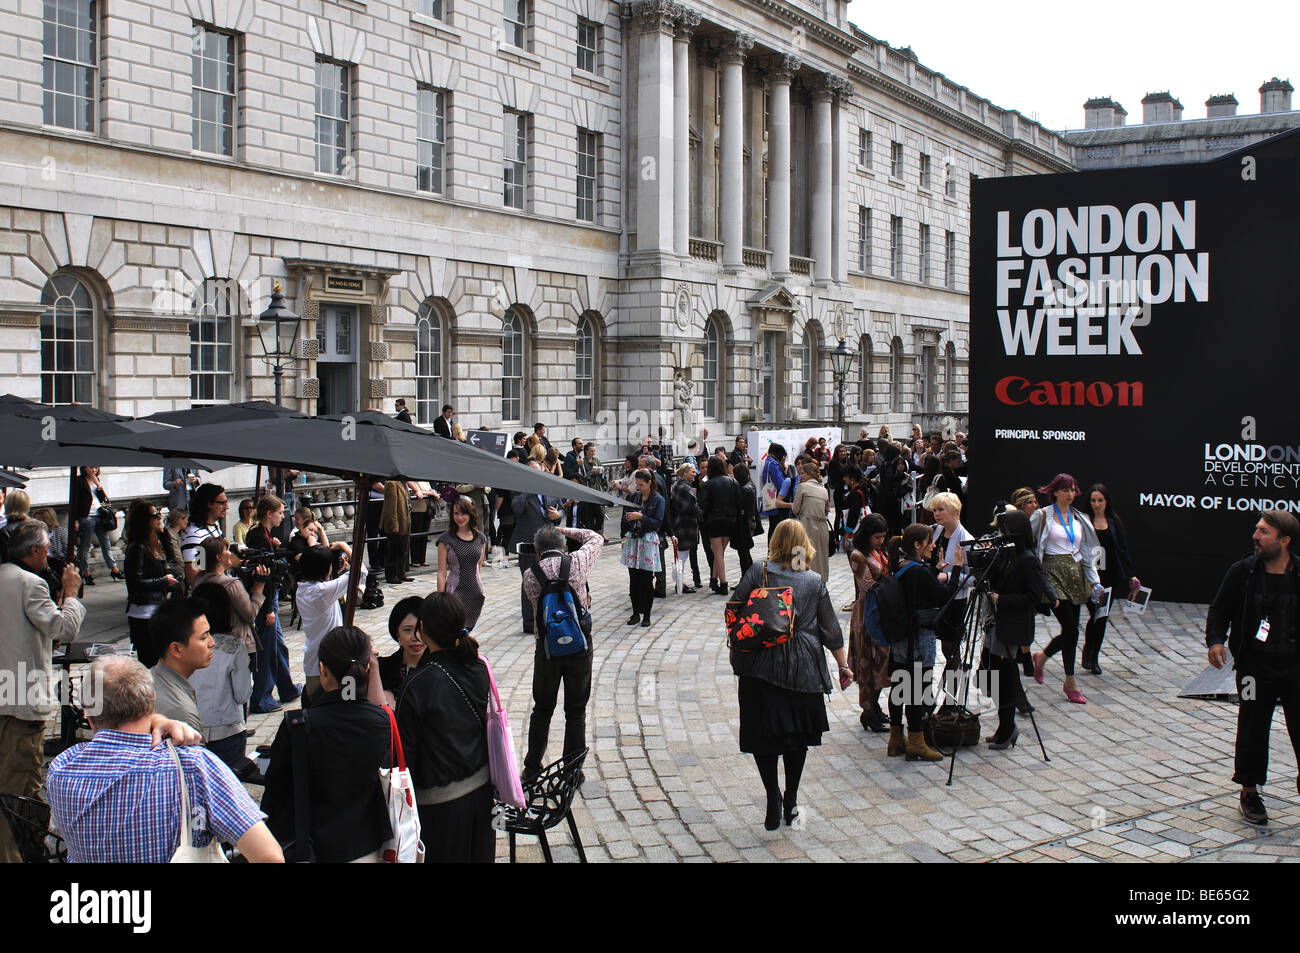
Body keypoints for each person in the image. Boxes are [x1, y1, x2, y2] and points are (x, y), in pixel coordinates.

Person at [45, 655, 282, 863]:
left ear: (87, 715)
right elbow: (269, 856)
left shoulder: (62, 767)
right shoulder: (193, 767)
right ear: (152, 700)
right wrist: (158, 718)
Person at [730, 520, 851, 830]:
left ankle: (772, 795)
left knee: (763, 737)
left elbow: (734, 608)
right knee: (797, 739)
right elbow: (830, 630)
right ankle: (791, 797)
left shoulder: (759, 572)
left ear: (775, 542)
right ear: (803, 544)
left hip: (760, 668)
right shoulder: (813, 581)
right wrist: (843, 665)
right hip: (803, 670)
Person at [262, 625, 394, 862]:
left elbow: (275, 792)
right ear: (366, 668)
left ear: (322, 670)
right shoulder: (382, 721)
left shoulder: (298, 725)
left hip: (311, 847)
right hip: (368, 847)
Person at [1207, 509, 1300, 826]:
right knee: (1252, 728)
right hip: (1254, 667)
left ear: (1284, 540)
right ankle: (1249, 792)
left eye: (1264, 532)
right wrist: (1216, 641)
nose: (1255, 536)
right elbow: (1220, 609)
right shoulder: (1243, 571)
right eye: (1256, 529)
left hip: (1296, 666)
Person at [0, 519, 84, 863]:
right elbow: (64, 628)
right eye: (47, 549)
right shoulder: (29, 583)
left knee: (12, 783)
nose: (50, 555)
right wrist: (73, 593)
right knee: (20, 789)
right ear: (34, 551)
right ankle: (18, 854)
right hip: (21, 701)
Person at [396, 592, 494, 863]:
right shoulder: (477, 666)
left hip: (441, 806)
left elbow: (406, 757)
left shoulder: (418, 684)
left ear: (423, 630)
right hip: (483, 792)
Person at [521, 525, 603, 781]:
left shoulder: (530, 575)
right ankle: (572, 771)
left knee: (542, 709)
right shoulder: (577, 563)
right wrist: (564, 528)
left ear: (537, 551)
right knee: (576, 712)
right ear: (563, 545)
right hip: (579, 646)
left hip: (546, 650)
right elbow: (595, 537)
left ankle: (533, 767)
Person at [884, 524, 958, 763]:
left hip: (900, 639)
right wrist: (956, 569)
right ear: (918, 545)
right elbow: (945, 595)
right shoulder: (919, 572)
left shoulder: (903, 567)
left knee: (899, 687)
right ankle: (916, 742)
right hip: (918, 639)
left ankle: (896, 738)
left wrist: (932, 570)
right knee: (918, 690)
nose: (934, 545)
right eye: (930, 541)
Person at [1030, 474, 1102, 705]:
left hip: (1075, 575)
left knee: (1072, 631)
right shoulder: (1042, 516)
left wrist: (1095, 581)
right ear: (1055, 492)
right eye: (1065, 490)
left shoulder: (1081, 519)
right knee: (1070, 627)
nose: (1070, 494)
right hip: (1051, 575)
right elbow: (1030, 548)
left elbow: (1089, 554)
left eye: (1073, 489)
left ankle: (1041, 657)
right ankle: (1070, 682)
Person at [985, 509, 1050, 750]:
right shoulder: (1005, 554)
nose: (1001, 533)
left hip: (1012, 626)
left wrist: (1003, 599)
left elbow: (1033, 596)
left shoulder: (1027, 559)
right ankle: (1005, 726)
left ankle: (1007, 727)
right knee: (992, 672)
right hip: (996, 623)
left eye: (1005, 529)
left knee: (1005, 677)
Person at [188, 581, 254, 774]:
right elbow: (243, 695)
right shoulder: (233, 647)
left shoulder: (181, 646)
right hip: (226, 730)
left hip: (189, 728)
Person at [295, 543, 367, 707]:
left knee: (317, 709)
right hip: (335, 658)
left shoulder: (302, 590)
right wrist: (345, 547)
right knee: (343, 705)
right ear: (325, 569)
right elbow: (361, 570)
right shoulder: (323, 591)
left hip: (313, 662)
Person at [246, 495, 299, 713]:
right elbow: (264, 573)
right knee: (267, 649)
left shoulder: (264, 534)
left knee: (277, 647)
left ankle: (286, 688)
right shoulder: (259, 535)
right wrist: (268, 609)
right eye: (279, 513)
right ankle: (261, 697)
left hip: (270, 598)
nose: (281, 517)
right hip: (268, 599)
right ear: (269, 513)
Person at [1081, 483, 1140, 675]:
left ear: (1107, 502)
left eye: (1100, 500)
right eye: (1093, 500)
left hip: (1108, 576)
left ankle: (1093, 656)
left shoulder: (1114, 522)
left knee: (1102, 616)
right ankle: (1088, 652)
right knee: (1095, 614)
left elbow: (1122, 550)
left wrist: (1131, 575)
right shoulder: (1084, 521)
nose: (1097, 504)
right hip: (1090, 576)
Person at [123, 500, 181, 668]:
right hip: (143, 612)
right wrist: (164, 581)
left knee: (161, 662)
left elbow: (166, 563)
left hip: (156, 608)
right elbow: (135, 582)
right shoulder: (138, 548)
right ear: (145, 520)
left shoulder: (155, 543)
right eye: (155, 515)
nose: (159, 518)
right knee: (150, 662)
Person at [847, 514, 891, 732]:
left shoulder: (876, 551)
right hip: (868, 612)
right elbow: (867, 585)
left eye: (883, 536)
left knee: (881, 662)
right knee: (869, 662)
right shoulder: (858, 555)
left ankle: (874, 705)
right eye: (877, 537)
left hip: (880, 610)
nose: (881, 541)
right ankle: (868, 711)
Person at [149, 597, 214, 737]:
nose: (212, 643)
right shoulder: (181, 714)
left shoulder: (151, 677)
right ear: (176, 649)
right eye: (203, 638)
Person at [511, 463, 563, 634]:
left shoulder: (549, 488)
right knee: (529, 581)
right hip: (528, 545)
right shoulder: (519, 489)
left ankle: (548, 618)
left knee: (549, 581)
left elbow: (561, 509)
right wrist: (528, 488)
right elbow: (516, 508)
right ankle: (529, 622)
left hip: (548, 544)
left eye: (538, 474)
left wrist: (558, 515)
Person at [926, 491, 974, 671]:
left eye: (941, 510)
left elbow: (973, 576)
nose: (936, 514)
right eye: (935, 510)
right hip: (936, 596)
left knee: (950, 648)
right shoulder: (936, 531)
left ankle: (954, 689)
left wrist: (947, 576)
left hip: (955, 600)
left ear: (954, 511)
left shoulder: (966, 539)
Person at [621, 468, 665, 627]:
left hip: (647, 541)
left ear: (649, 483)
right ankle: (635, 613)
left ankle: (646, 615)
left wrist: (641, 517)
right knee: (634, 579)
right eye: (637, 484)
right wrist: (628, 521)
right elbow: (625, 517)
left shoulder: (658, 500)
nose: (638, 487)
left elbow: (658, 523)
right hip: (633, 540)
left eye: (641, 484)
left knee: (646, 580)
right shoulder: (634, 497)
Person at [438, 497, 489, 630]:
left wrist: (480, 590)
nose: (459, 517)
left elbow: (478, 566)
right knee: (452, 630)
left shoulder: (481, 538)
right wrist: (440, 598)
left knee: (468, 631)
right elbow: (441, 572)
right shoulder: (445, 540)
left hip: (475, 592)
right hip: (454, 592)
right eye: (456, 513)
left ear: (471, 514)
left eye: (463, 513)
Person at [700, 457, 742, 595]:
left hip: (714, 520)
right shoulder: (733, 481)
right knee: (720, 553)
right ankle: (714, 579)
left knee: (718, 553)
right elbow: (738, 500)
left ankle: (723, 583)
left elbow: (704, 505)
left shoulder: (708, 484)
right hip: (730, 520)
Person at [71, 466, 121, 583]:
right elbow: (75, 501)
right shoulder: (79, 481)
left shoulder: (97, 480)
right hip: (86, 517)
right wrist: (75, 519)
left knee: (106, 543)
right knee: (85, 546)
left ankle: (113, 568)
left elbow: (106, 503)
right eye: (90, 467)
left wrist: (99, 486)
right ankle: (85, 571)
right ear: (84, 468)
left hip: (100, 516)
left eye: (95, 467)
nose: (93, 470)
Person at [379, 596, 430, 707]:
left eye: (421, 630)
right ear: (397, 633)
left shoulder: (440, 668)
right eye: (407, 630)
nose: (416, 637)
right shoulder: (382, 668)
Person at [181, 483, 227, 586]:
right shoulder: (195, 536)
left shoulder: (215, 526)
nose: (226, 507)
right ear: (208, 504)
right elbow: (194, 577)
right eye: (222, 503)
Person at [792, 462, 831, 582]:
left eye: (803, 473)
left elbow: (795, 509)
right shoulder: (823, 489)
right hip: (822, 527)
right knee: (821, 557)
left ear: (809, 474)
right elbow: (826, 510)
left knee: (802, 554)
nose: (801, 476)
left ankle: (801, 582)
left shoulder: (802, 487)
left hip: (806, 524)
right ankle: (821, 581)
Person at [669, 462, 702, 593]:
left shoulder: (678, 485)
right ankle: (679, 583)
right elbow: (692, 507)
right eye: (693, 471)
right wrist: (700, 511)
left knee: (681, 555)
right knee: (682, 556)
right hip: (685, 525)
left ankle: (679, 582)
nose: (695, 474)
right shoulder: (684, 487)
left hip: (681, 524)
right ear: (685, 473)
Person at [379, 480, 413, 585]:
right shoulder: (391, 484)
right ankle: (391, 575)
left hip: (404, 520)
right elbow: (391, 507)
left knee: (403, 548)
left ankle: (400, 573)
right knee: (394, 550)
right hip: (396, 522)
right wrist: (394, 524)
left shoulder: (403, 483)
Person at [731, 463, 759, 575]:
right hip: (747, 522)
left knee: (743, 553)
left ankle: (746, 578)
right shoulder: (749, 485)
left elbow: (741, 507)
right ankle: (747, 577)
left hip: (743, 524)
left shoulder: (744, 489)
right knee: (744, 553)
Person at [759, 444, 790, 540]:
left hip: (771, 498)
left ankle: (771, 551)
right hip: (776, 499)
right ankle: (773, 551)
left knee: (773, 526)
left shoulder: (768, 462)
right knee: (776, 526)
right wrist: (785, 471)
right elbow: (780, 483)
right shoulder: (773, 464)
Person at [408, 480, 435, 567]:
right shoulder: (411, 480)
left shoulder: (425, 480)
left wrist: (432, 492)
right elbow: (415, 491)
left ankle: (422, 559)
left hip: (427, 510)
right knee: (416, 534)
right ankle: (415, 559)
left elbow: (429, 490)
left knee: (424, 535)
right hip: (416, 510)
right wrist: (431, 493)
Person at [164, 508, 188, 583]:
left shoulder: (176, 534)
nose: (187, 522)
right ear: (180, 520)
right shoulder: (170, 535)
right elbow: (177, 557)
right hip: (174, 569)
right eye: (186, 519)